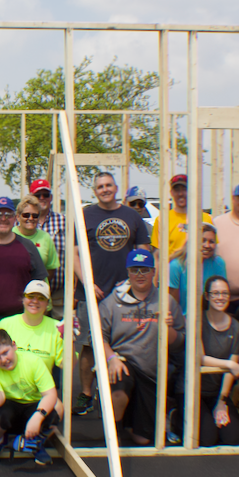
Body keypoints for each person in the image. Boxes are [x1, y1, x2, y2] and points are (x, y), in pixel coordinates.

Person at [74, 172, 150, 416]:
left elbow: (143, 252)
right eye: (99, 186)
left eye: (108, 185)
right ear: (94, 191)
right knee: (88, 344)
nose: (104, 189)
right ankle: (86, 394)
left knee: (123, 343)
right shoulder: (85, 215)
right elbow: (75, 254)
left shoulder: (131, 216)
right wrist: (88, 283)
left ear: (116, 188)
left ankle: (119, 394)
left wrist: (138, 286)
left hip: (125, 294)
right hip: (92, 292)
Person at [97, 249, 183, 446]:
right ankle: (114, 432)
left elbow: (179, 343)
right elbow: (98, 337)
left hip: (151, 374)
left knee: (143, 439)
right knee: (119, 385)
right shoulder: (112, 301)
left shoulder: (166, 301)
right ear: (128, 272)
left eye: (144, 270)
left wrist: (169, 330)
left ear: (153, 272)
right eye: (135, 270)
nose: (140, 275)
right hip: (123, 362)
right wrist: (112, 359)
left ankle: (129, 420)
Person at [0, 328, 59, 465]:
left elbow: (50, 394)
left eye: (5, 353)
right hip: (10, 407)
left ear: (14, 346)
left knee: (53, 414)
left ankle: (34, 442)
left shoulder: (33, 362)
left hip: (32, 405)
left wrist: (38, 417)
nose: (3, 360)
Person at [0, 196, 47, 333]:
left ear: (15, 218)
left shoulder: (27, 247)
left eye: (8, 215)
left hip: (19, 319)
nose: (3, 218)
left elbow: (40, 282)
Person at [196, 275, 239, 447]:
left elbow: (232, 369)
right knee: (207, 439)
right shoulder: (197, 320)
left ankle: (216, 408)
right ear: (207, 296)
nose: (220, 297)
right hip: (194, 390)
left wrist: (221, 402)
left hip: (218, 391)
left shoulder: (235, 326)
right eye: (215, 293)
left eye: (224, 293)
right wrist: (228, 364)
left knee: (234, 438)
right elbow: (200, 358)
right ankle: (176, 415)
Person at [0, 280, 64, 373]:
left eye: (41, 298)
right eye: (31, 296)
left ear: (48, 303)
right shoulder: (4, 325)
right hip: (6, 386)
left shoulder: (58, 327)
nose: (35, 301)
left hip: (42, 386)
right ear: (23, 299)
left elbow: (66, 365)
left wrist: (70, 340)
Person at [167, 222, 226, 315]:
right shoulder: (176, 266)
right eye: (202, 240)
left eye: (211, 242)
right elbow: (173, 303)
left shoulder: (218, 264)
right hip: (183, 318)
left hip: (210, 318)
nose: (207, 245)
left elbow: (221, 295)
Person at [14, 194, 59, 291]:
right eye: (26, 215)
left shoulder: (45, 237)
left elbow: (51, 268)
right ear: (18, 217)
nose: (30, 218)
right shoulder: (11, 235)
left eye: (35, 215)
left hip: (39, 296)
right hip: (15, 295)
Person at [32, 179, 65, 309]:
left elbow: (75, 254)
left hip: (58, 292)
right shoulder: (22, 222)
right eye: (37, 195)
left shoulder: (64, 222)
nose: (42, 198)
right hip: (29, 294)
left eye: (45, 195)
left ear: (51, 197)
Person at [162, 174, 211, 261]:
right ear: (171, 193)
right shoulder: (162, 220)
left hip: (200, 271)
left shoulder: (206, 219)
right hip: (173, 272)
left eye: (184, 189)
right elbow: (157, 256)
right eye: (177, 190)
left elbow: (213, 250)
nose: (181, 194)